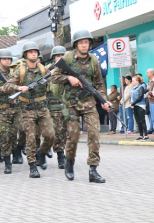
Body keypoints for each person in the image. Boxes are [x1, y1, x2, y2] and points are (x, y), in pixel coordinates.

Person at [51, 29, 110, 182]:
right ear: (76, 44)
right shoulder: (68, 57)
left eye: (86, 42)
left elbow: (99, 83)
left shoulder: (94, 60)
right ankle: (69, 162)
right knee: (73, 135)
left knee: (94, 134)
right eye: (81, 42)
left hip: (89, 103)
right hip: (71, 103)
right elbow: (55, 77)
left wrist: (104, 100)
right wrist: (69, 78)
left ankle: (93, 170)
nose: (84, 45)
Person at [3, 41, 55, 178]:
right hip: (27, 109)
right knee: (31, 138)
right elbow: (6, 87)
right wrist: (19, 88)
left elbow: (53, 80)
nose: (33, 53)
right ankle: (32, 165)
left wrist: (55, 74)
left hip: (42, 107)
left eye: (35, 52)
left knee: (51, 135)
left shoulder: (43, 69)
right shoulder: (20, 70)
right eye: (31, 52)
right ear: (26, 54)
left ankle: (41, 153)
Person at [45, 45, 67, 169]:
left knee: (65, 133)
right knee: (56, 132)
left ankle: (62, 153)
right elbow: (41, 87)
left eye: (62, 55)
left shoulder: (70, 69)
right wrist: (49, 75)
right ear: (54, 58)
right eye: (57, 56)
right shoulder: (48, 70)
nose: (60, 58)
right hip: (52, 107)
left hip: (67, 106)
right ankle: (60, 156)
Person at [130, 75, 148, 141]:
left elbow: (140, 97)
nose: (132, 82)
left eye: (133, 81)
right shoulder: (133, 88)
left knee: (142, 120)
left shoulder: (140, 87)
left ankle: (146, 135)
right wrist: (131, 103)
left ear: (137, 81)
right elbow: (131, 97)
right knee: (138, 121)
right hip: (134, 106)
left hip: (140, 105)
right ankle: (141, 135)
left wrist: (133, 103)